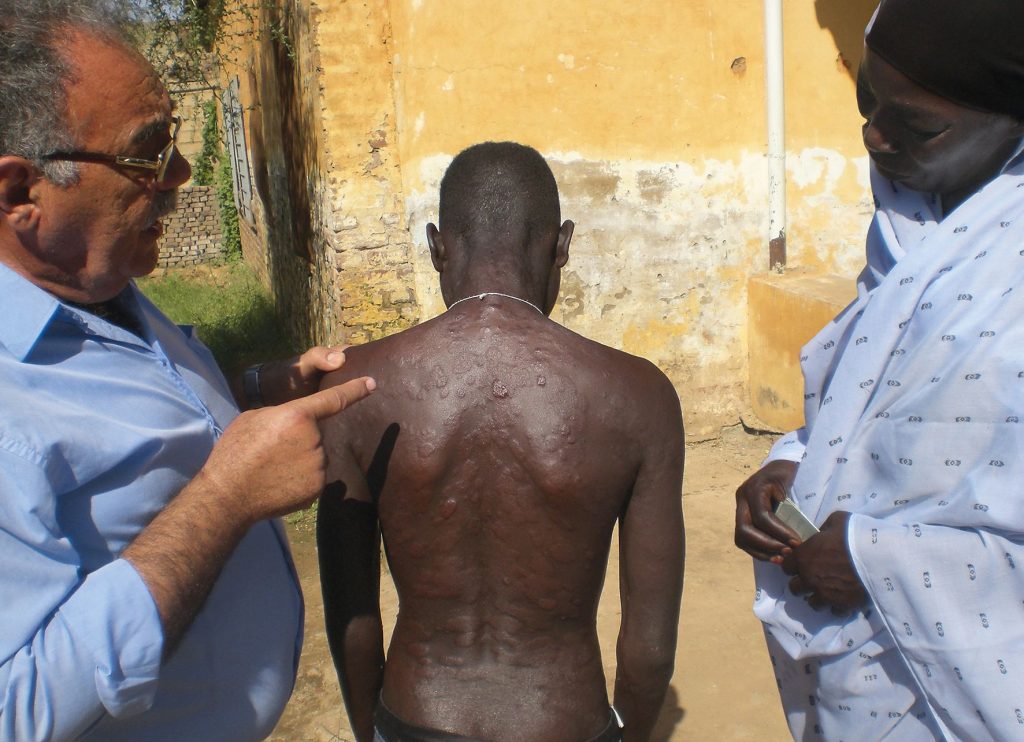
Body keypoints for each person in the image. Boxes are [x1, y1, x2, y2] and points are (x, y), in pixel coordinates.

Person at [0, 2, 375, 739]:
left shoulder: (97, 286)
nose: (180, 172)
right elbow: (18, 708)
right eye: (145, 153)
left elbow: (135, 414)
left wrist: (254, 391)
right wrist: (225, 497)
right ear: (20, 196)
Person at [317, 142, 685, 742]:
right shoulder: (638, 396)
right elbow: (648, 649)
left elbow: (353, 619)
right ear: (561, 244)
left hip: (417, 713)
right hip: (563, 719)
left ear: (437, 246)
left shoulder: (357, 391)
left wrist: (372, 732)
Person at [734, 0, 1024, 739]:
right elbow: (869, 405)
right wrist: (794, 463)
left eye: (916, 125)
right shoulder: (908, 232)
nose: (872, 133)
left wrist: (874, 559)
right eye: (866, 100)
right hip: (860, 678)